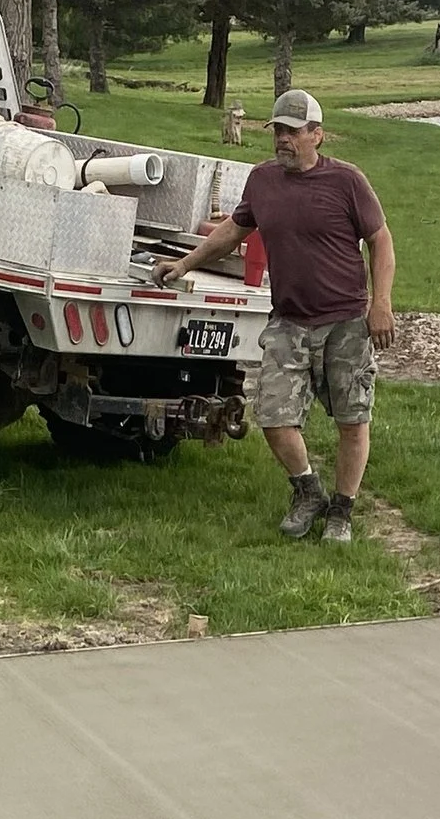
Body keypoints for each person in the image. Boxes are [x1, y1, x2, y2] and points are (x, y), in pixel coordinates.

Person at [162, 91, 396, 544]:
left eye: (293, 131)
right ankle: (307, 491)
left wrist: (380, 302)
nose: (283, 140)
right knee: (273, 415)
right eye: (278, 131)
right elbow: (233, 230)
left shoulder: (347, 181)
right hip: (288, 320)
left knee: (352, 419)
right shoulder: (262, 181)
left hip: (345, 321)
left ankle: (341, 512)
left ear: (317, 135)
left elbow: (381, 240)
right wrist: (185, 265)